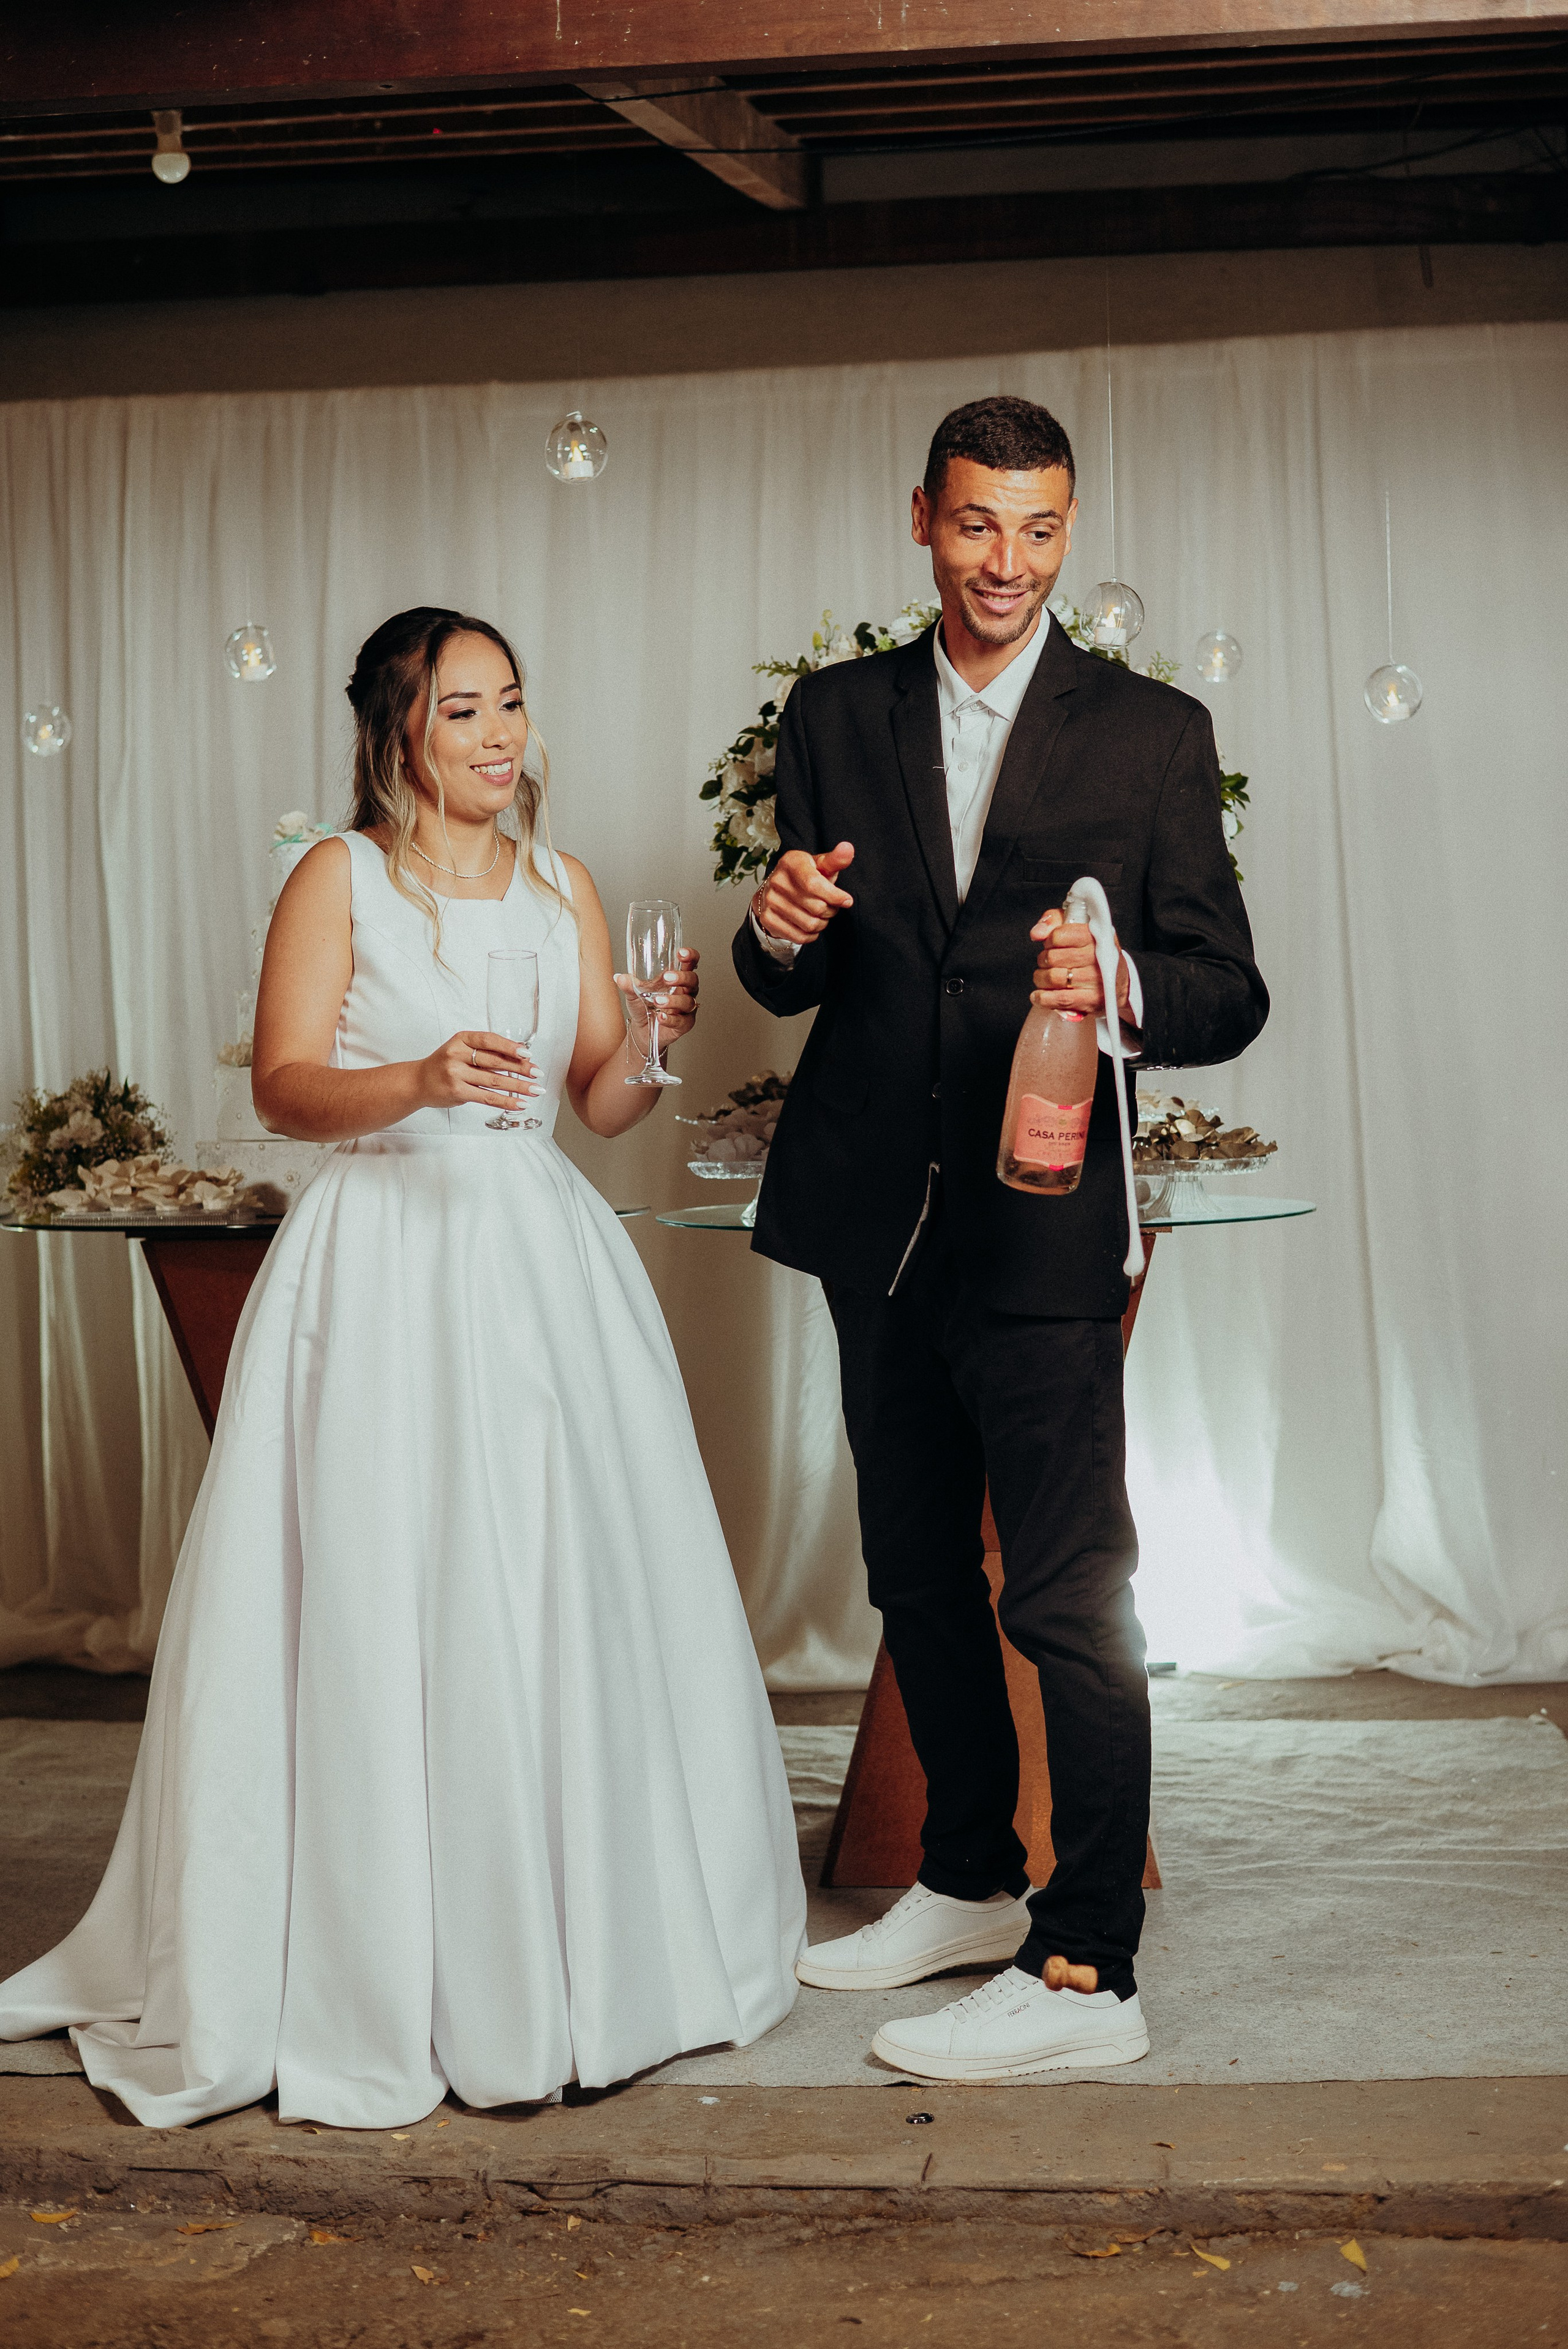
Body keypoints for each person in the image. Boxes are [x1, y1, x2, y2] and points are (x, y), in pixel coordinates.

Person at [0, 606, 804, 2127]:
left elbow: (598, 1105)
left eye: (511, 702)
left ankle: (575, 1954)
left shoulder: (563, 884)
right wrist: (419, 1078)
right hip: (380, 1262)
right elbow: (287, 1087)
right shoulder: (340, 875)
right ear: (396, 734)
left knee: (553, 1577)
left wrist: (651, 1040)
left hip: (538, 1260)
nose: (500, 735)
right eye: (462, 711)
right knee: (386, 1577)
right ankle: (371, 1959)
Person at [733, 396, 1268, 2082]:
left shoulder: (1152, 733)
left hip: (1042, 1220)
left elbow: (1227, 986)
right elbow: (798, 974)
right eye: (976, 524)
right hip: (874, 1218)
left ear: (1069, 528)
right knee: (911, 1570)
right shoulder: (835, 714)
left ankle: (1087, 1963)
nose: (1007, 563)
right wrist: (774, 928)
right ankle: (965, 1878)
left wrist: (1119, 982)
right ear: (922, 518)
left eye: (1038, 529)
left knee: (1068, 1589)